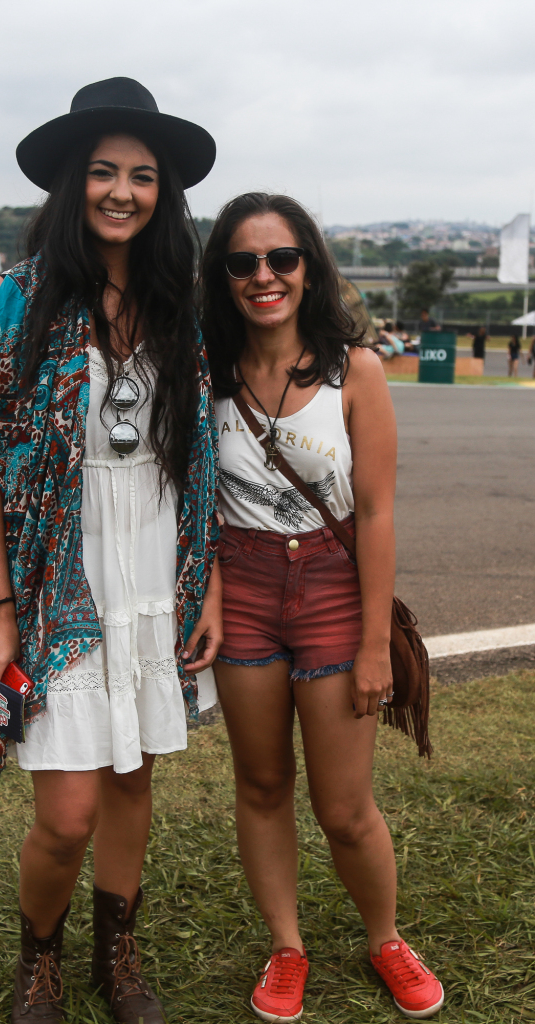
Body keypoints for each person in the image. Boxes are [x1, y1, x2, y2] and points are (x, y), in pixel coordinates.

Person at [0, 77, 221, 1024]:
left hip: (153, 562)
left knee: (134, 772)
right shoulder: (9, 303)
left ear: (162, 194)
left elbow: (198, 456)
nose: (122, 192)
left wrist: (206, 582)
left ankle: (119, 957)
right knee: (65, 813)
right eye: (103, 171)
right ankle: (40, 964)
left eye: (142, 176)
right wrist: (2, 607)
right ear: (71, 183)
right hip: (55, 568)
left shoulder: (180, 301)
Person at [201, 192, 444, 1021]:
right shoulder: (208, 371)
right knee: (262, 782)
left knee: (344, 808)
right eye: (243, 262)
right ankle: (287, 946)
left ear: (308, 267)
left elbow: (375, 514)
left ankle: (385, 939)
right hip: (245, 589)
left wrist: (376, 642)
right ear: (224, 276)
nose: (264, 276)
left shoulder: (356, 371)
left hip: (335, 595)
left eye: (281, 259)